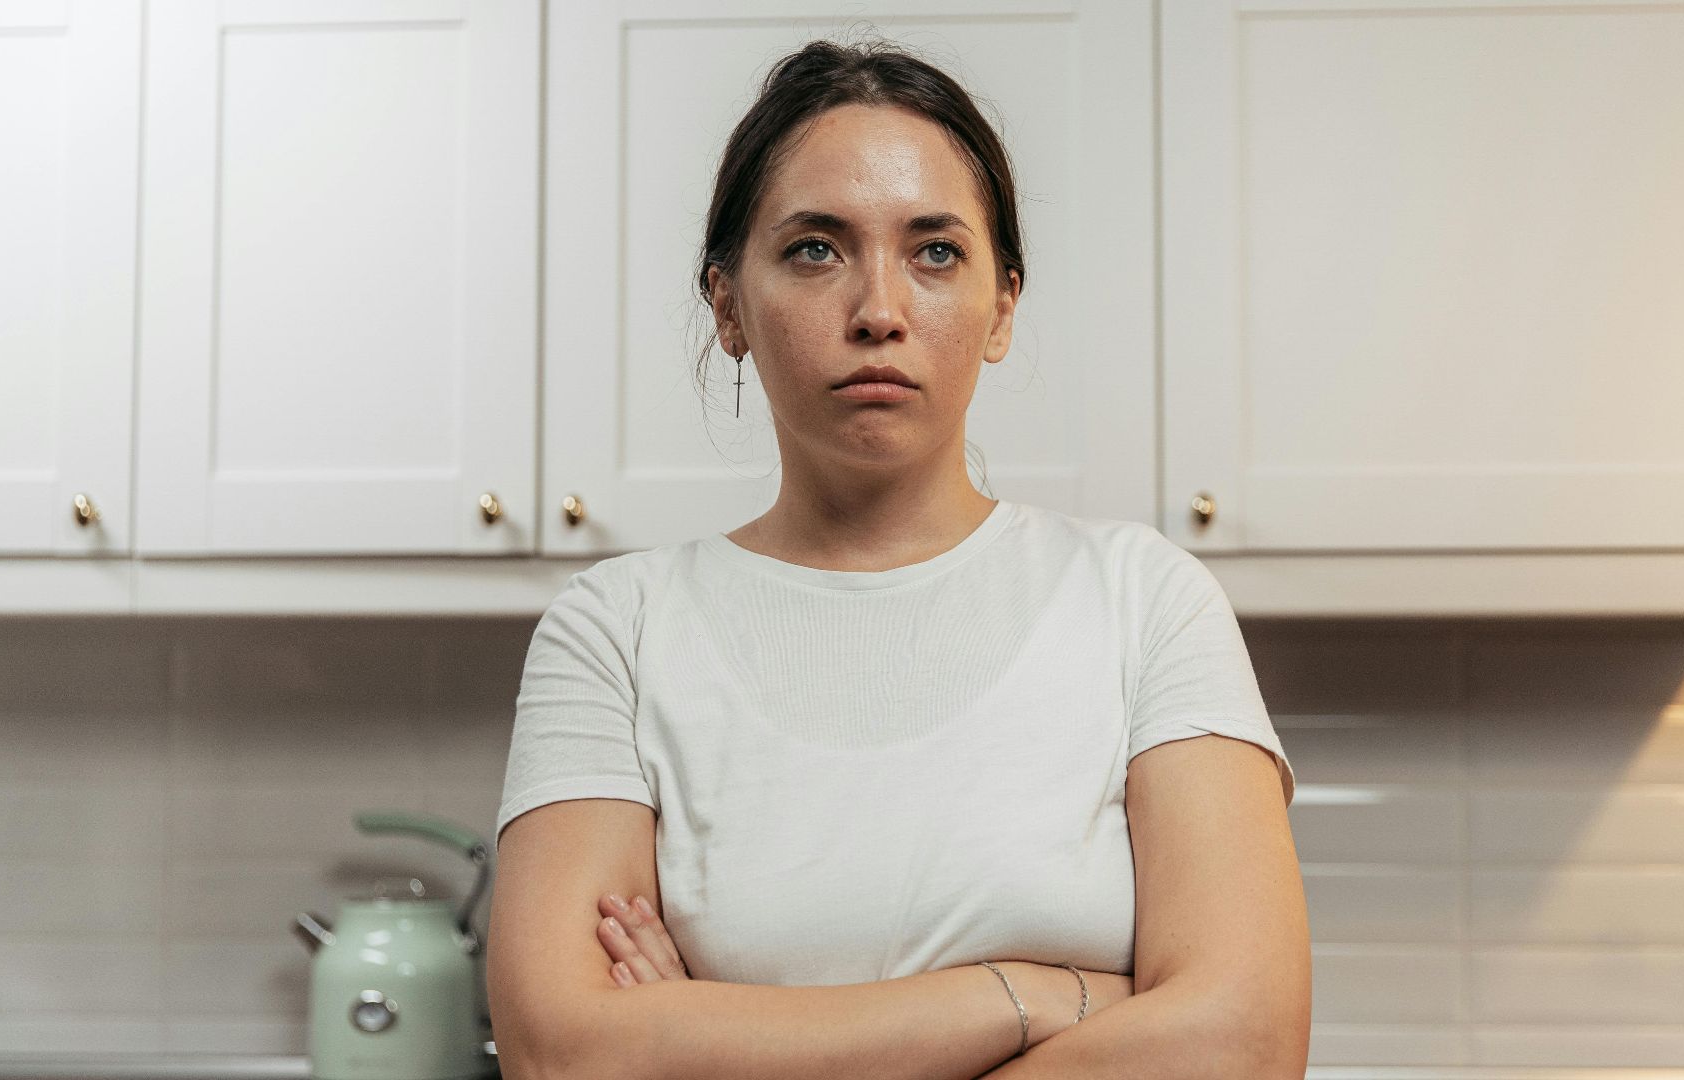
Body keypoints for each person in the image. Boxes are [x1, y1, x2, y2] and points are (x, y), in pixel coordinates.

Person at [484, 35, 1309, 1080]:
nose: (878, 312)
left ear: (1002, 305)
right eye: (816, 249)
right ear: (729, 304)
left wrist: (710, 1036)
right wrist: (1028, 997)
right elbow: (565, 1052)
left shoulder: (1146, 603)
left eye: (934, 252)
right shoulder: (616, 630)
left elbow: (1244, 1040)